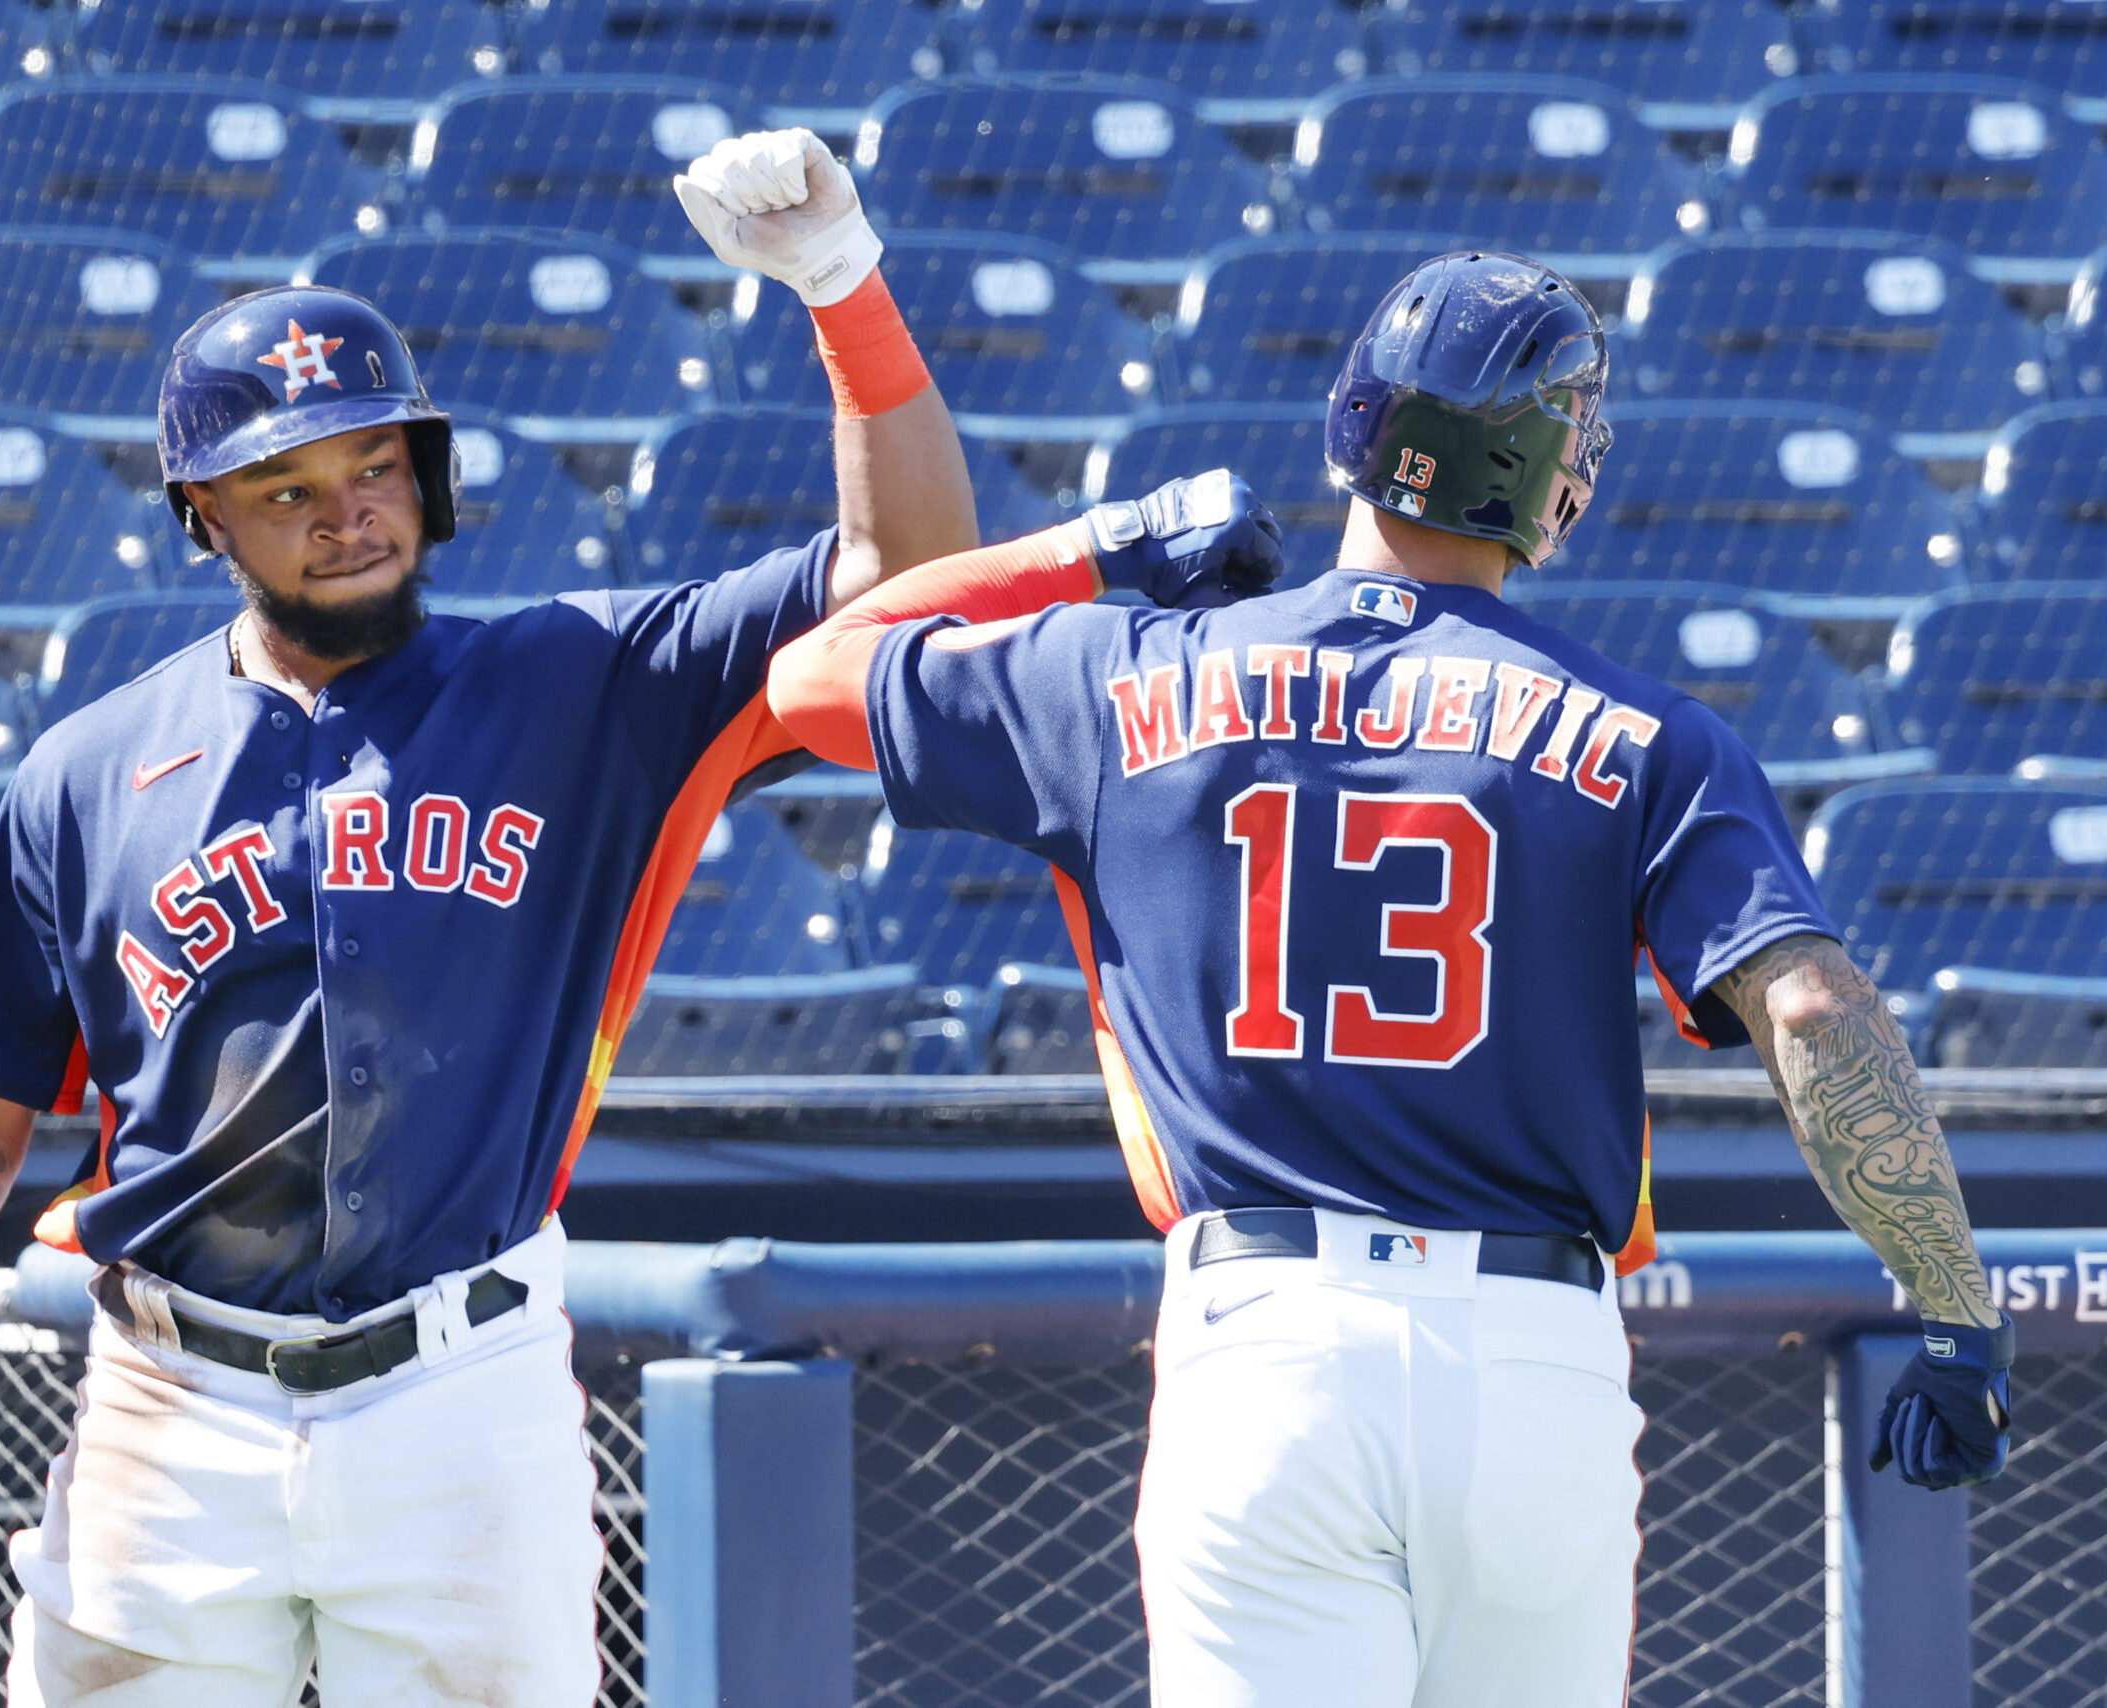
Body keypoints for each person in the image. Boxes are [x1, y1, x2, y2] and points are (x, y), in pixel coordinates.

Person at [0, 128, 988, 1706]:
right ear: (206, 517)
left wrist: (845, 289)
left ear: (427, 476)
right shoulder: (88, 774)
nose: (346, 510)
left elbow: (917, 579)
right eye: (285, 485)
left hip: (462, 1393)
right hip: (171, 1408)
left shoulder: (584, 685)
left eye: (373, 466)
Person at [765, 250, 2013, 1706]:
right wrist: (1952, 1304)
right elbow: (1810, 1007)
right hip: (1534, 1360)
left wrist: (1101, 549)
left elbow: (812, 675)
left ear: (1356, 421)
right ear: (1553, 474)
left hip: (1268, 1351)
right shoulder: (1649, 734)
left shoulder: (1118, 671)